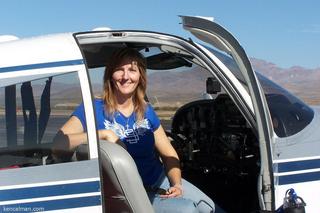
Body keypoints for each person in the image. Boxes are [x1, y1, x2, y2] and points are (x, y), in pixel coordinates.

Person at [52, 47, 215, 213]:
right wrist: (103, 134)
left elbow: (169, 154)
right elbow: (58, 143)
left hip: (158, 179)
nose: (125, 77)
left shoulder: (146, 110)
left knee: (209, 207)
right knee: (187, 210)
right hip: (126, 192)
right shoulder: (93, 108)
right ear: (110, 75)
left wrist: (177, 184)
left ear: (140, 77)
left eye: (132, 70)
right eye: (119, 70)